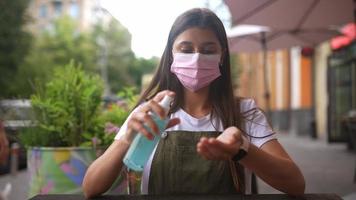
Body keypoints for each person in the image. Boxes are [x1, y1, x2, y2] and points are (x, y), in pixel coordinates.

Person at [82, 8, 305, 197]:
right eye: (186, 49)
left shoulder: (244, 112)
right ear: (171, 54)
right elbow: (90, 187)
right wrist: (127, 138)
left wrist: (242, 149)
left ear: (222, 56)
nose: (197, 57)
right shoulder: (151, 113)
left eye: (208, 50)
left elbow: (295, 184)